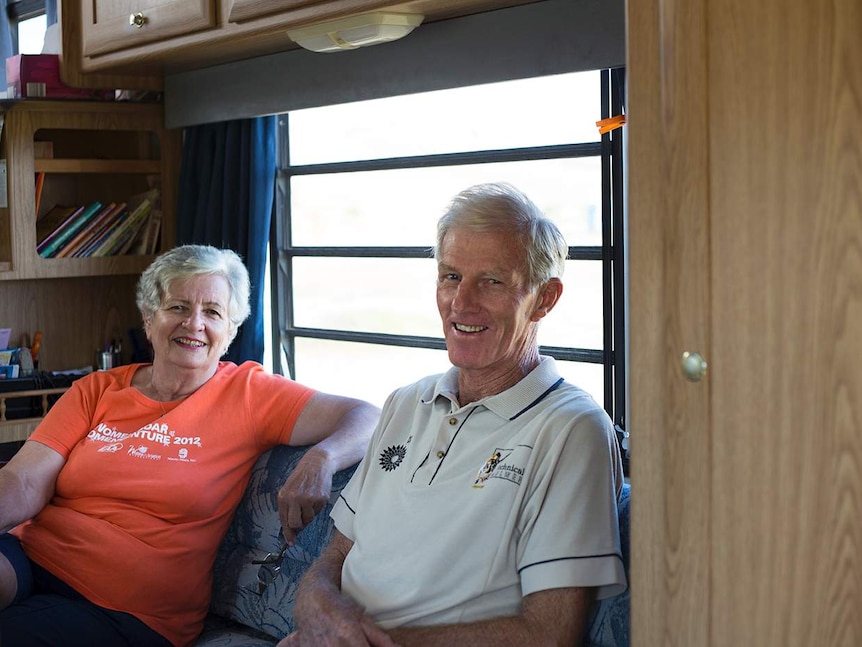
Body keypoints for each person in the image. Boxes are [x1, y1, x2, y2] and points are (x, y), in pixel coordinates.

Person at [283, 182, 626, 647]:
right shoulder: (406, 402)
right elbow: (335, 555)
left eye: (492, 281)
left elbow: (548, 632)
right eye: (450, 277)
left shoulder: (571, 430)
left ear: (545, 298)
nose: (461, 303)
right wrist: (316, 606)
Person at [0, 245, 380, 647]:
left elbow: (368, 416)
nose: (194, 323)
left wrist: (322, 458)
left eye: (213, 312)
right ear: (149, 319)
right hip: (31, 555)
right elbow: (24, 481)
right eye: (178, 307)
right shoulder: (97, 389)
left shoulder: (250, 395)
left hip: (128, 609)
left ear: (231, 330)